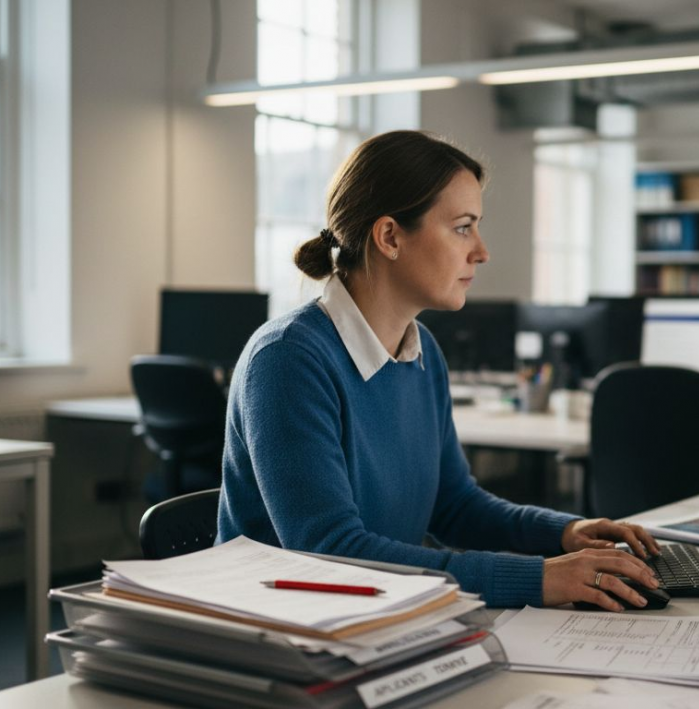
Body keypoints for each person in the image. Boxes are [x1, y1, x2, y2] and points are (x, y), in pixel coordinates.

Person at [217, 130, 661, 610]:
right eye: (463, 227)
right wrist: (538, 578)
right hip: (279, 628)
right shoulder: (288, 360)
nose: (482, 251)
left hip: (377, 618)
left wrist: (564, 533)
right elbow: (330, 552)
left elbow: (453, 505)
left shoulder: (420, 349)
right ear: (389, 236)